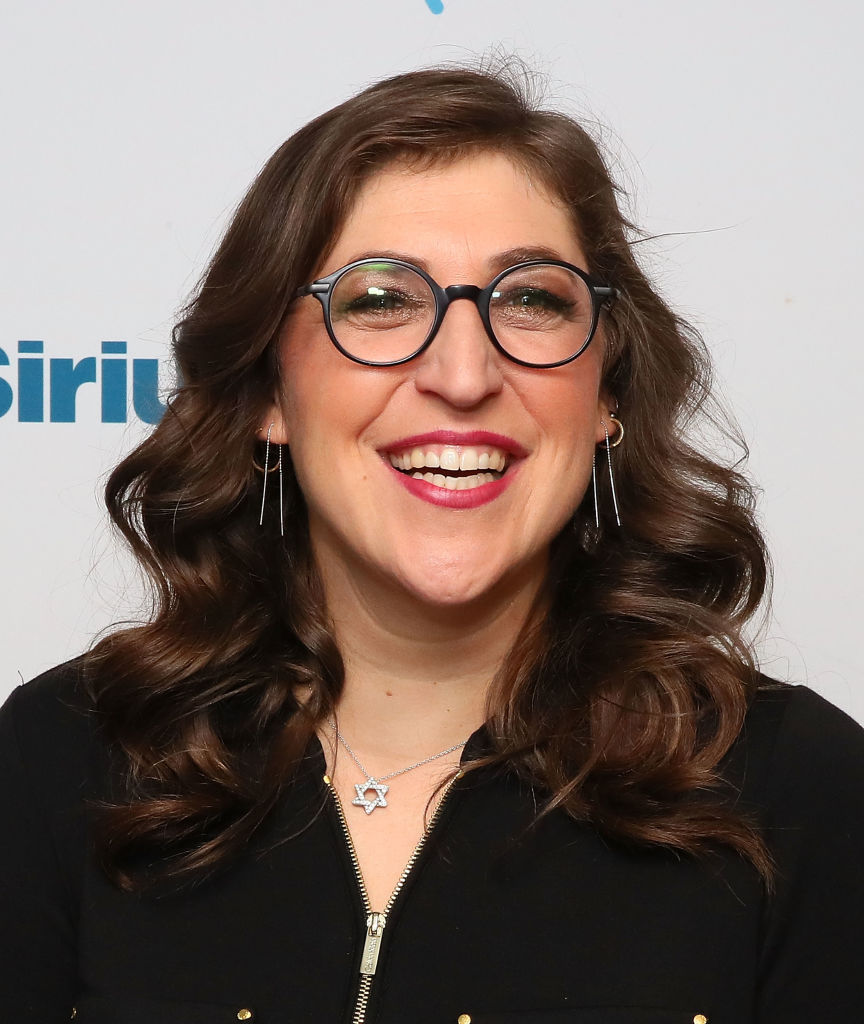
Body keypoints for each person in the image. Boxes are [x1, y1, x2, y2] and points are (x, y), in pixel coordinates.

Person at [2, 62, 863, 1024]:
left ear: (607, 394)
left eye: (532, 299)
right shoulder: (62, 756)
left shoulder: (804, 791)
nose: (463, 373)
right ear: (267, 392)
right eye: (380, 300)